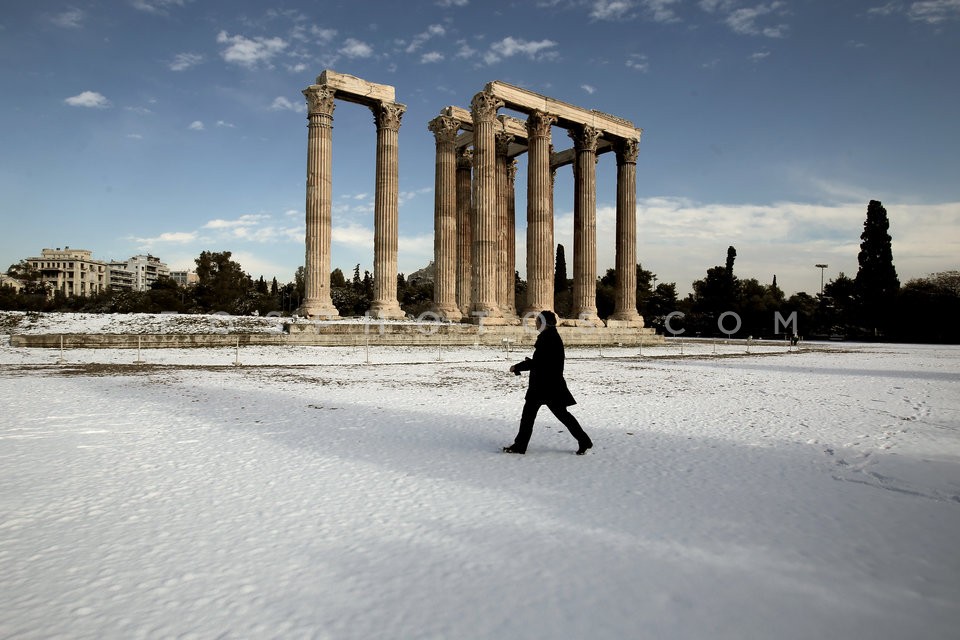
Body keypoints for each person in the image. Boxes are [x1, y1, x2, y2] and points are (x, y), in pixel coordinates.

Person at [503, 310, 593, 455]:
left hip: (543, 386)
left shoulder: (547, 339)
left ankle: (520, 446)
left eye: (537, 321)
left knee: (529, 417)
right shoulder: (551, 337)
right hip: (551, 385)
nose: (535, 323)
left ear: (544, 323)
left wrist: (517, 367)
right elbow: (544, 362)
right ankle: (584, 440)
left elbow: (540, 364)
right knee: (562, 416)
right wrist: (530, 362)